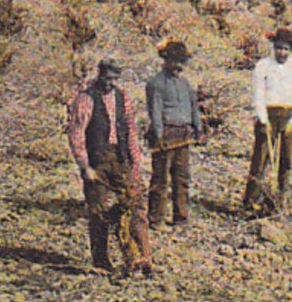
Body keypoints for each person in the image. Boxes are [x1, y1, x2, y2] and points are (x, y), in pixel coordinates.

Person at [68, 59, 152, 276]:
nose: (111, 83)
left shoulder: (123, 98)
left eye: (115, 79)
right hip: (98, 161)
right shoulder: (85, 99)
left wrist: (136, 162)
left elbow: (131, 131)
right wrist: (85, 166)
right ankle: (101, 260)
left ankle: (142, 256)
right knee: (99, 210)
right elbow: (76, 134)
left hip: (121, 158)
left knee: (135, 205)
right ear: (100, 76)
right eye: (108, 78)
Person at [241, 27, 292, 214]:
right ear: (274, 48)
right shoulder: (263, 66)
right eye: (279, 48)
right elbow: (258, 95)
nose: (282, 53)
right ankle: (252, 200)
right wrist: (263, 120)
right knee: (261, 159)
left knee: (285, 160)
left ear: (291, 50)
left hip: (287, 116)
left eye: (286, 49)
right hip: (268, 115)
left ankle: (279, 200)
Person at [144, 39, 203, 228]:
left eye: (181, 61)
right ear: (166, 60)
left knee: (182, 178)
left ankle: (181, 217)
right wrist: (159, 135)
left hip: (183, 135)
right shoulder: (156, 83)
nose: (178, 65)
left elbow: (194, 107)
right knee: (160, 180)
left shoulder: (185, 84)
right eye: (174, 60)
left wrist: (198, 128)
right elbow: (155, 111)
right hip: (166, 135)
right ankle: (155, 219)